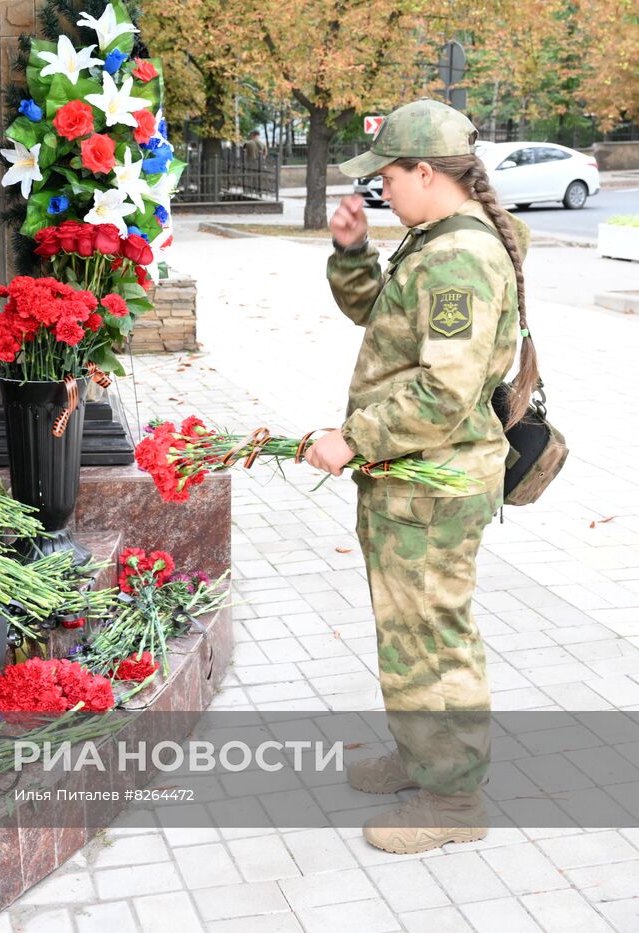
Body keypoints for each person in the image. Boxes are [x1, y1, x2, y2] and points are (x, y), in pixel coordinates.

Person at [303, 99, 538, 855]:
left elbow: (444, 391)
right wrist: (351, 251)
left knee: (432, 639)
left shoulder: (458, 257)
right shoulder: (433, 238)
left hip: (431, 483)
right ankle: (421, 757)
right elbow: (382, 316)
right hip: (412, 477)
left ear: (426, 172)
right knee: (409, 635)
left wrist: (353, 437)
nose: (381, 191)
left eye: (388, 177)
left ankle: (454, 798)